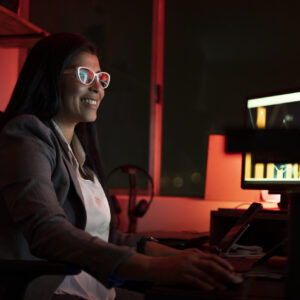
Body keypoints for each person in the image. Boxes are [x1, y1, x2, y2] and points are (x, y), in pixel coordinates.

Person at [0, 33, 242, 300]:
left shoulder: (78, 154)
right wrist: (156, 267)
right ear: (49, 77)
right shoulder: (25, 135)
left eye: (101, 78)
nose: (97, 88)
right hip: (54, 291)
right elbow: (47, 230)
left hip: (98, 290)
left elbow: (106, 236)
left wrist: (180, 256)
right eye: (85, 76)